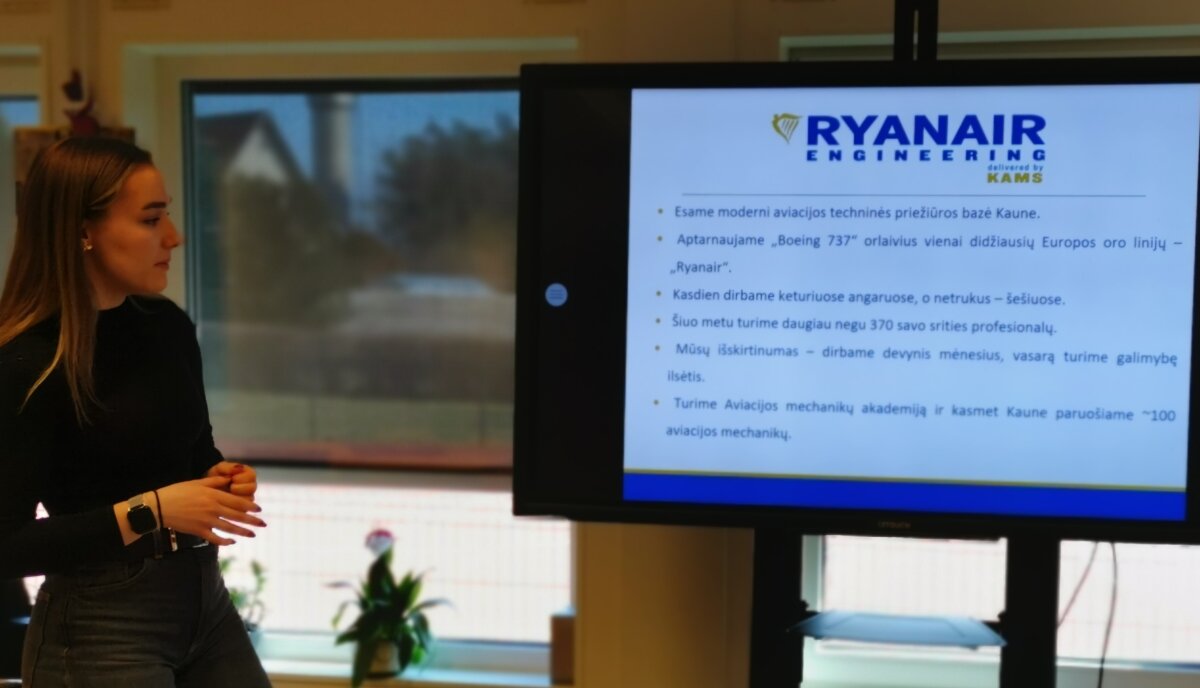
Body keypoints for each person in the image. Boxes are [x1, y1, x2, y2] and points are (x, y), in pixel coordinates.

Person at [0, 136, 270, 687]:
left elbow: (195, 450)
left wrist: (219, 475)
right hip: (100, 626)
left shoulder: (166, 325)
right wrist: (150, 511)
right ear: (82, 231)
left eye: (165, 214)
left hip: (205, 601)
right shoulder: (28, 363)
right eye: (150, 220)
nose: (174, 236)